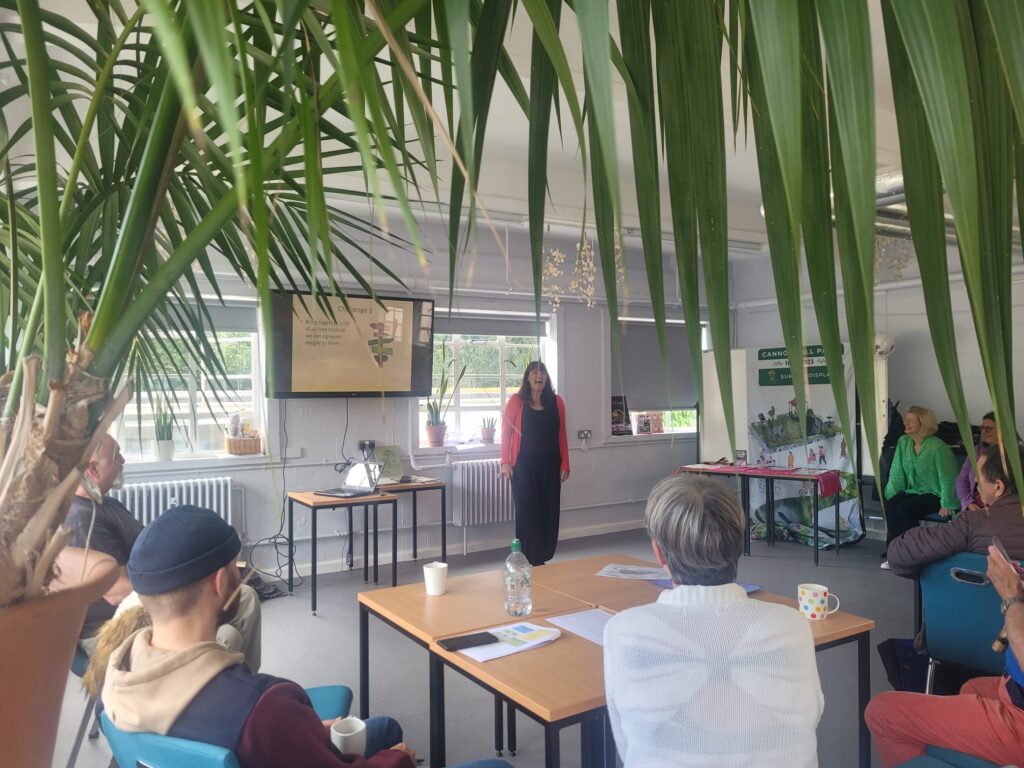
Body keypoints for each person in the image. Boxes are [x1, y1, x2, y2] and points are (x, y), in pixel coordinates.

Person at [101, 505, 510, 768]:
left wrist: (305, 728)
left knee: (381, 726)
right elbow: (270, 729)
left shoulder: (118, 683)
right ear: (222, 582)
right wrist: (396, 761)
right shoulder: (264, 705)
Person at [603, 474, 823, 767]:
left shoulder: (625, 631)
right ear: (739, 542)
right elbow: (811, 716)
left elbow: (628, 744)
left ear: (658, 553)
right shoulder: (793, 626)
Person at [66, 434, 261, 670]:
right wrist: (188, 595)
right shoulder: (83, 520)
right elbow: (117, 593)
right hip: (119, 625)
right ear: (93, 469)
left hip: (149, 605)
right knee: (228, 637)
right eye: (116, 455)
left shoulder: (106, 504)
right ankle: (203, 698)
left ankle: (243, 688)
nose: (123, 460)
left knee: (247, 598)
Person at [865, 544, 1024, 767]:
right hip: (1013, 686)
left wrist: (1013, 597)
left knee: (882, 712)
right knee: (972, 688)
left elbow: (903, 553)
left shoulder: (971, 525)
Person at [888, 443, 1024, 578]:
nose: (975, 479)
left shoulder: (971, 523)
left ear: (998, 487)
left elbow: (897, 554)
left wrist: (927, 570)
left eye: (979, 475)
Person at [500, 361, 569, 566]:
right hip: (523, 467)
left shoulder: (557, 402)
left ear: (546, 378)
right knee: (528, 512)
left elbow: (562, 434)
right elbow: (506, 434)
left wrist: (565, 463)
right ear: (528, 377)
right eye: (534, 372)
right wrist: (505, 461)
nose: (539, 376)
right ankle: (529, 557)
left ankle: (543, 556)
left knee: (549, 511)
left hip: (550, 466)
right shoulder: (516, 401)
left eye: (542, 373)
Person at [880, 405, 960, 569]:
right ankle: (895, 553)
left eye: (910, 420)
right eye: (905, 420)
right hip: (913, 491)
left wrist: (947, 502)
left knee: (904, 509)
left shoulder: (938, 447)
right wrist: (893, 494)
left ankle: (918, 552)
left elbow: (948, 477)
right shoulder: (904, 442)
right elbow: (897, 470)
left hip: (936, 493)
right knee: (892, 505)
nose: (905, 423)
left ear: (922, 423)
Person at [956, 412, 997, 511]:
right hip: (972, 506)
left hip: (998, 510)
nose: (984, 432)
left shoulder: (1015, 456)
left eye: (989, 428)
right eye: (982, 428)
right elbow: (961, 480)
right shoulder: (976, 451)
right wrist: (969, 503)